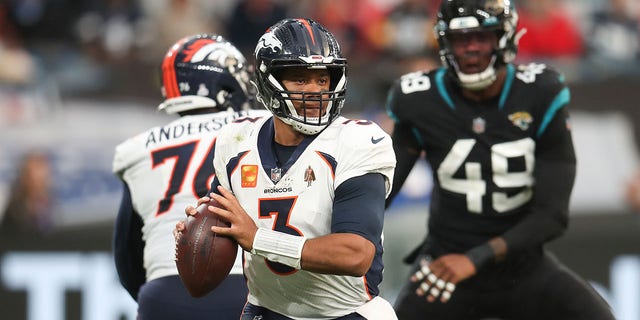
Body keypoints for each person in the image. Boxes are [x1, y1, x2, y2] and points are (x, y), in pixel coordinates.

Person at [384, 1, 617, 319]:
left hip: (522, 266)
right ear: (443, 43)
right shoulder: (419, 98)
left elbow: (552, 215)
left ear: (504, 37)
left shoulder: (539, 92)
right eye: (460, 39)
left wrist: (474, 258)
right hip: (445, 265)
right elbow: (383, 189)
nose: (470, 49)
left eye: (481, 37)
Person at [176, 18, 397, 320]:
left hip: (345, 313)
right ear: (268, 83)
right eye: (300, 79)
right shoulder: (237, 139)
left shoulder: (357, 141)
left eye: (322, 79)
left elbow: (355, 253)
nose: (315, 91)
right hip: (267, 310)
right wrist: (201, 231)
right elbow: (224, 222)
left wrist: (258, 239)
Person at [112, 33, 268, 320]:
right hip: (248, 287)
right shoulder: (261, 129)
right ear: (223, 82)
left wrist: (162, 299)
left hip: (162, 294)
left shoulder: (138, 149)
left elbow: (126, 254)